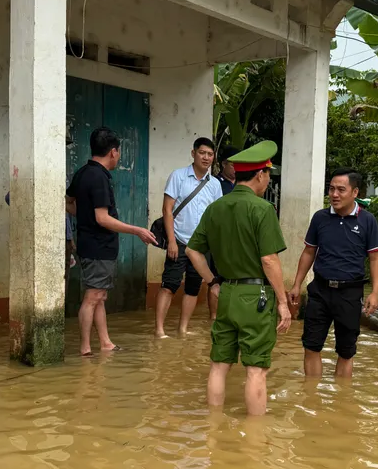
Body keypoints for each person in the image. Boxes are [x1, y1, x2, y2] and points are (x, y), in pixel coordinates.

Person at [185, 141, 291, 416]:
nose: (268, 180)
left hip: (226, 295)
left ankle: (214, 429)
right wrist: (282, 302)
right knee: (256, 370)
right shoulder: (262, 209)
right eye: (268, 174)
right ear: (259, 175)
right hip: (255, 298)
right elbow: (269, 260)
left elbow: (192, 250)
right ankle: (256, 439)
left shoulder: (216, 208)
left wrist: (212, 282)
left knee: (219, 365)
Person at [66, 127, 157, 356]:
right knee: (93, 297)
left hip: (91, 244)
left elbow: (68, 203)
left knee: (100, 295)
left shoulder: (82, 172)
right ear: (114, 152)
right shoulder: (99, 177)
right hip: (98, 246)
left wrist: (85, 215)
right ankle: (85, 349)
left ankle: (105, 343)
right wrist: (137, 230)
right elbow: (102, 218)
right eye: (119, 152)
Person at [288, 168, 378, 379]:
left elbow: (375, 259)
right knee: (311, 346)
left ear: (355, 192)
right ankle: (311, 399)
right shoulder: (320, 218)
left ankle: (342, 399)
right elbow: (309, 252)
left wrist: (375, 293)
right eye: (331, 189)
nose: (334, 194)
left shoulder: (367, 221)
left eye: (341, 189)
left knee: (346, 351)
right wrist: (297, 284)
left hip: (349, 293)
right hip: (320, 291)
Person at [155, 137, 222, 338]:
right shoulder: (178, 176)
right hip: (179, 242)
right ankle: (159, 330)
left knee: (193, 288)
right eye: (202, 153)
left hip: (201, 247)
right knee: (169, 285)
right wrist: (172, 241)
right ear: (193, 154)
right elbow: (167, 210)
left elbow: (216, 216)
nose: (206, 157)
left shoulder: (215, 184)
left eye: (210, 154)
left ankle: (183, 329)